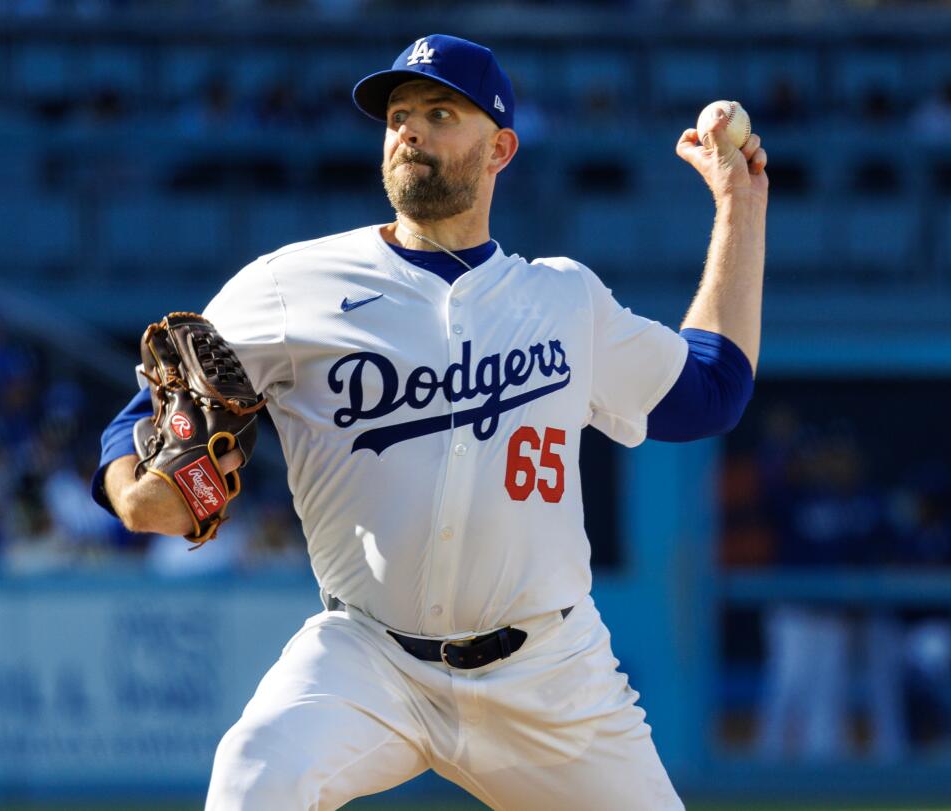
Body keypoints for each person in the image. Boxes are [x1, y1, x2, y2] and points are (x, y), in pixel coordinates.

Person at [92, 34, 767, 810]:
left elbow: (713, 389)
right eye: (399, 115)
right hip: (370, 658)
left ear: (500, 149)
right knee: (255, 768)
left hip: (548, 671)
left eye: (440, 113)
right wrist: (126, 486)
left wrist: (738, 209)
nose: (409, 130)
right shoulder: (292, 287)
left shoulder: (564, 302)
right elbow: (150, 401)